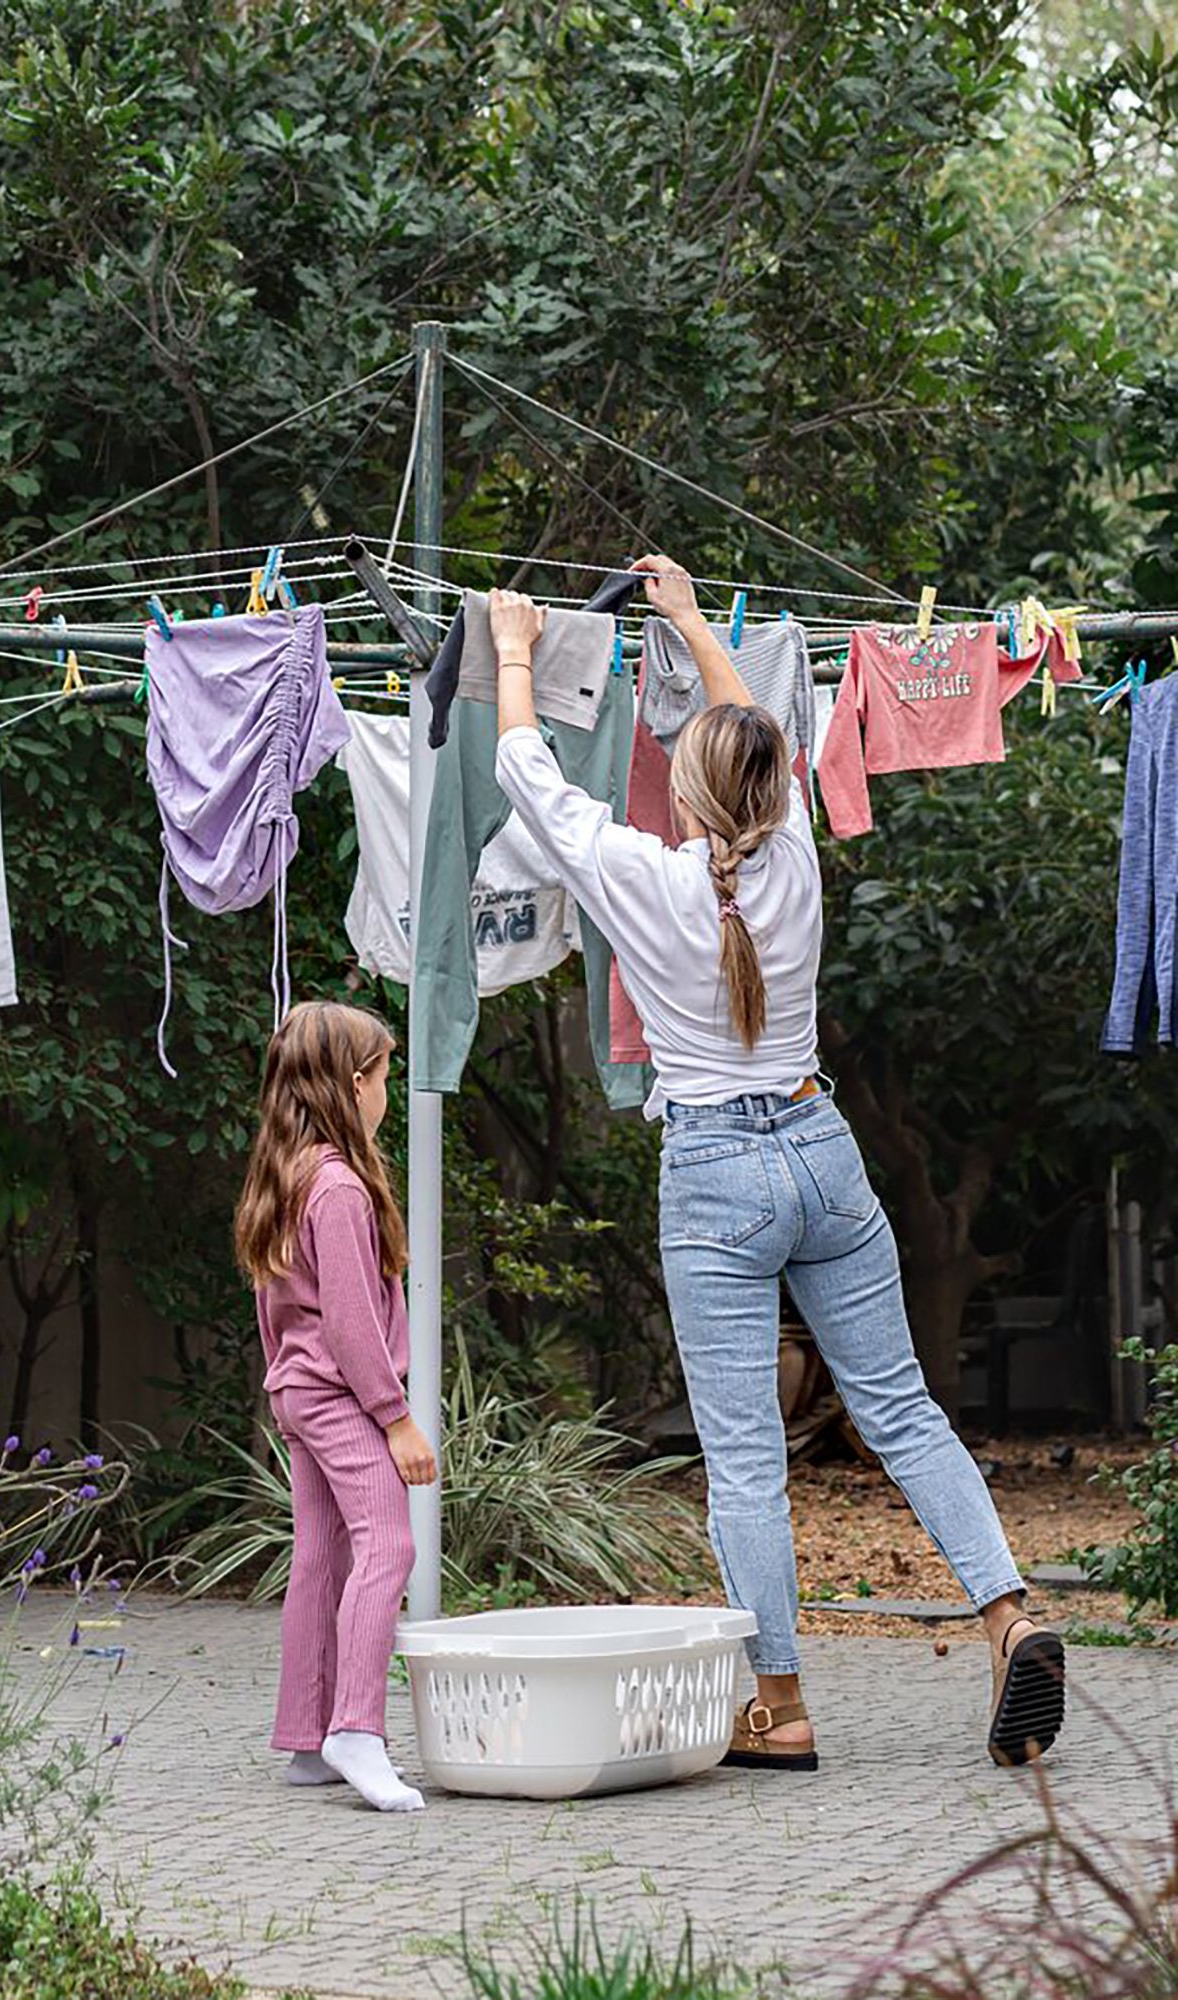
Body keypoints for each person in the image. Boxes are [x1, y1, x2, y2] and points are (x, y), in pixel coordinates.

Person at [486, 558, 1067, 1772]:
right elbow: (753, 742)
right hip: (819, 1148)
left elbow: (527, 778)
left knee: (744, 1452)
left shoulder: (641, 874)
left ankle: (782, 1704)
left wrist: (508, 649)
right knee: (901, 1408)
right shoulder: (791, 849)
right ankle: (1011, 1613)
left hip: (712, 1177)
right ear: (764, 783)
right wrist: (696, 624)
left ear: (686, 798)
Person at [234, 1000, 438, 1811]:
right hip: (342, 1397)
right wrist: (397, 1420)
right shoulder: (340, 1189)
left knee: (323, 1555)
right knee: (389, 1544)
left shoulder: (287, 1177)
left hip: (299, 1391)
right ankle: (357, 1729)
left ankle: (307, 1738)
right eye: (385, 1075)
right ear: (354, 1085)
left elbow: (276, 1314)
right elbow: (353, 1326)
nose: (389, 1091)